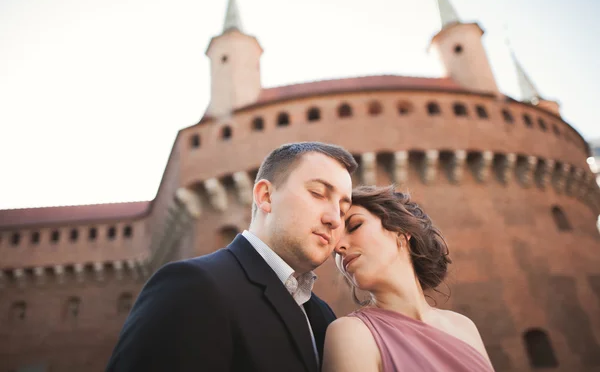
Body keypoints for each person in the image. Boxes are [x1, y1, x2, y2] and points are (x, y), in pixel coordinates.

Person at [105, 142, 356, 372]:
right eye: (318, 193)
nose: (334, 218)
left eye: (343, 210)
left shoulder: (323, 315)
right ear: (266, 196)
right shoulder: (192, 287)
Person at [323, 186, 494, 372]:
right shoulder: (351, 334)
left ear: (401, 233)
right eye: (334, 244)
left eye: (355, 226)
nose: (338, 247)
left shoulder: (464, 327)